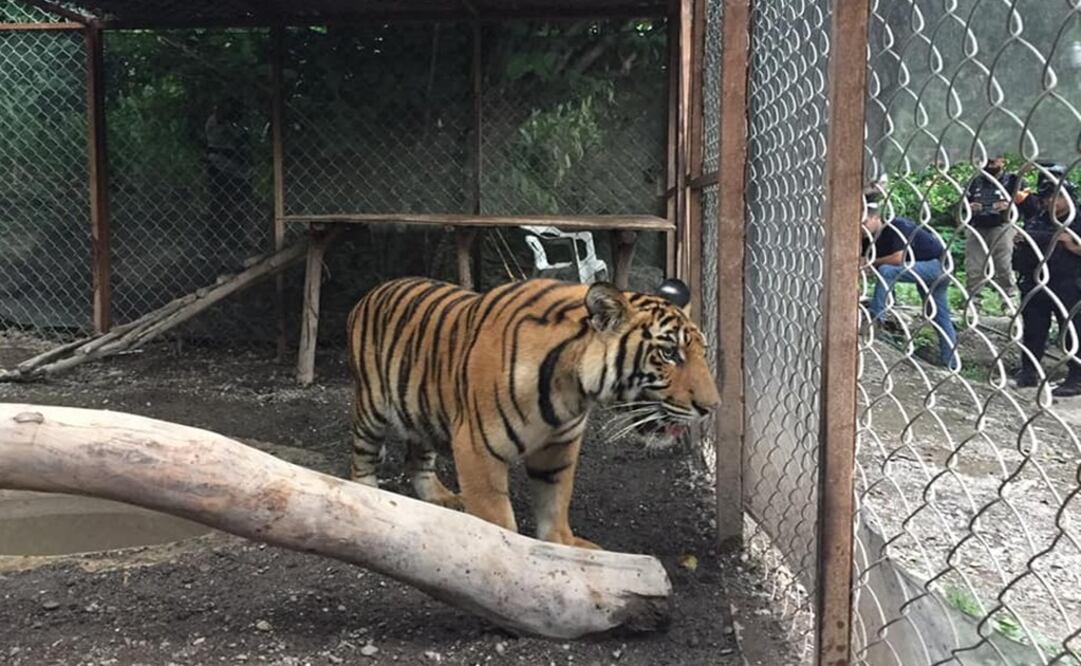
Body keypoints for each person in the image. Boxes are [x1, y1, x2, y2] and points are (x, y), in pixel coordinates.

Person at [862, 190, 960, 370]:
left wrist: (869, 262)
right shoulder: (866, 240)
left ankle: (877, 318)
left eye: (864, 223)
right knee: (939, 316)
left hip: (937, 266)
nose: (861, 229)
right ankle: (951, 363)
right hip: (923, 269)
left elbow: (899, 258)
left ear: (875, 218)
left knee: (886, 270)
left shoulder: (897, 226)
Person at [1013, 162, 1081, 396]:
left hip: (1069, 282)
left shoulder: (1077, 217)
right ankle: (1029, 371)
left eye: (1055, 196)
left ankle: (1076, 377)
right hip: (1036, 279)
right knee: (1033, 328)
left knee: (1073, 330)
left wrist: (1073, 245)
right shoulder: (1038, 217)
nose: (1050, 201)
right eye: (1047, 197)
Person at [963, 156, 1019, 311]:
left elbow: (1028, 204)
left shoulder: (1013, 180)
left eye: (996, 158)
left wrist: (1009, 206)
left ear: (1003, 160)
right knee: (974, 266)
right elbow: (962, 205)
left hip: (1002, 225)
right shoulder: (975, 181)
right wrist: (970, 207)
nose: (991, 161)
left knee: (1003, 264)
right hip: (977, 226)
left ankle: (1009, 300)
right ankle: (973, 302)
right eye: (988, 158)